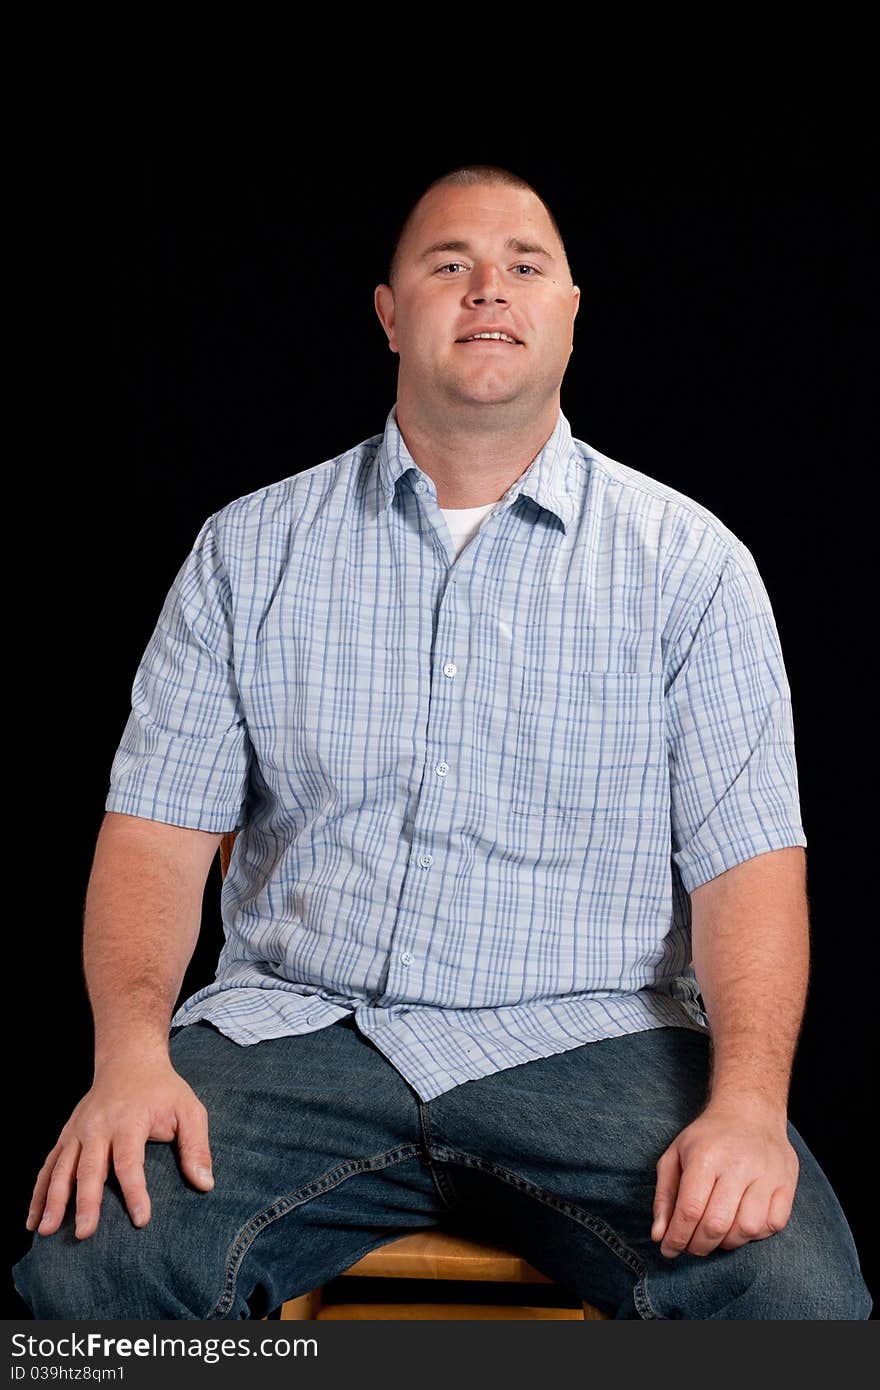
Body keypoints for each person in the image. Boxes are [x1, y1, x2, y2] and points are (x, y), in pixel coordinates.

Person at [13, 164, 871, 1321]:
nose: (487, 290)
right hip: (296, 1033)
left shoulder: (691, 566)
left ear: (570, 312)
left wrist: (748, 1107)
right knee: (88, 1275)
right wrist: (127, 1061)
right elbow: (156, 843)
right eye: (448, 264)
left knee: (793, 1303)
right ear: (388, 312)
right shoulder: (245, 551)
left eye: (524, 265)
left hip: (595, 1037)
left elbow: (749, 870)